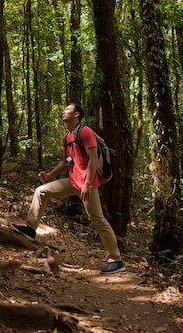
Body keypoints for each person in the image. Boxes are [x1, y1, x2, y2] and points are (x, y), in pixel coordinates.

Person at [11, 102, 125, 274]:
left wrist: (87, 184)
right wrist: (48, 176)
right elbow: (67, 161)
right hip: (72, 182)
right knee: (41, 191)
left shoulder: (85, 132)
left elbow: (93, 159)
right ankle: (30, 229)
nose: (63, 112)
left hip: (88, 184)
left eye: (67, 110)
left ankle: (116, 260)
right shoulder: (67, 137)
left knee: (98, 220)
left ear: (77, 114)